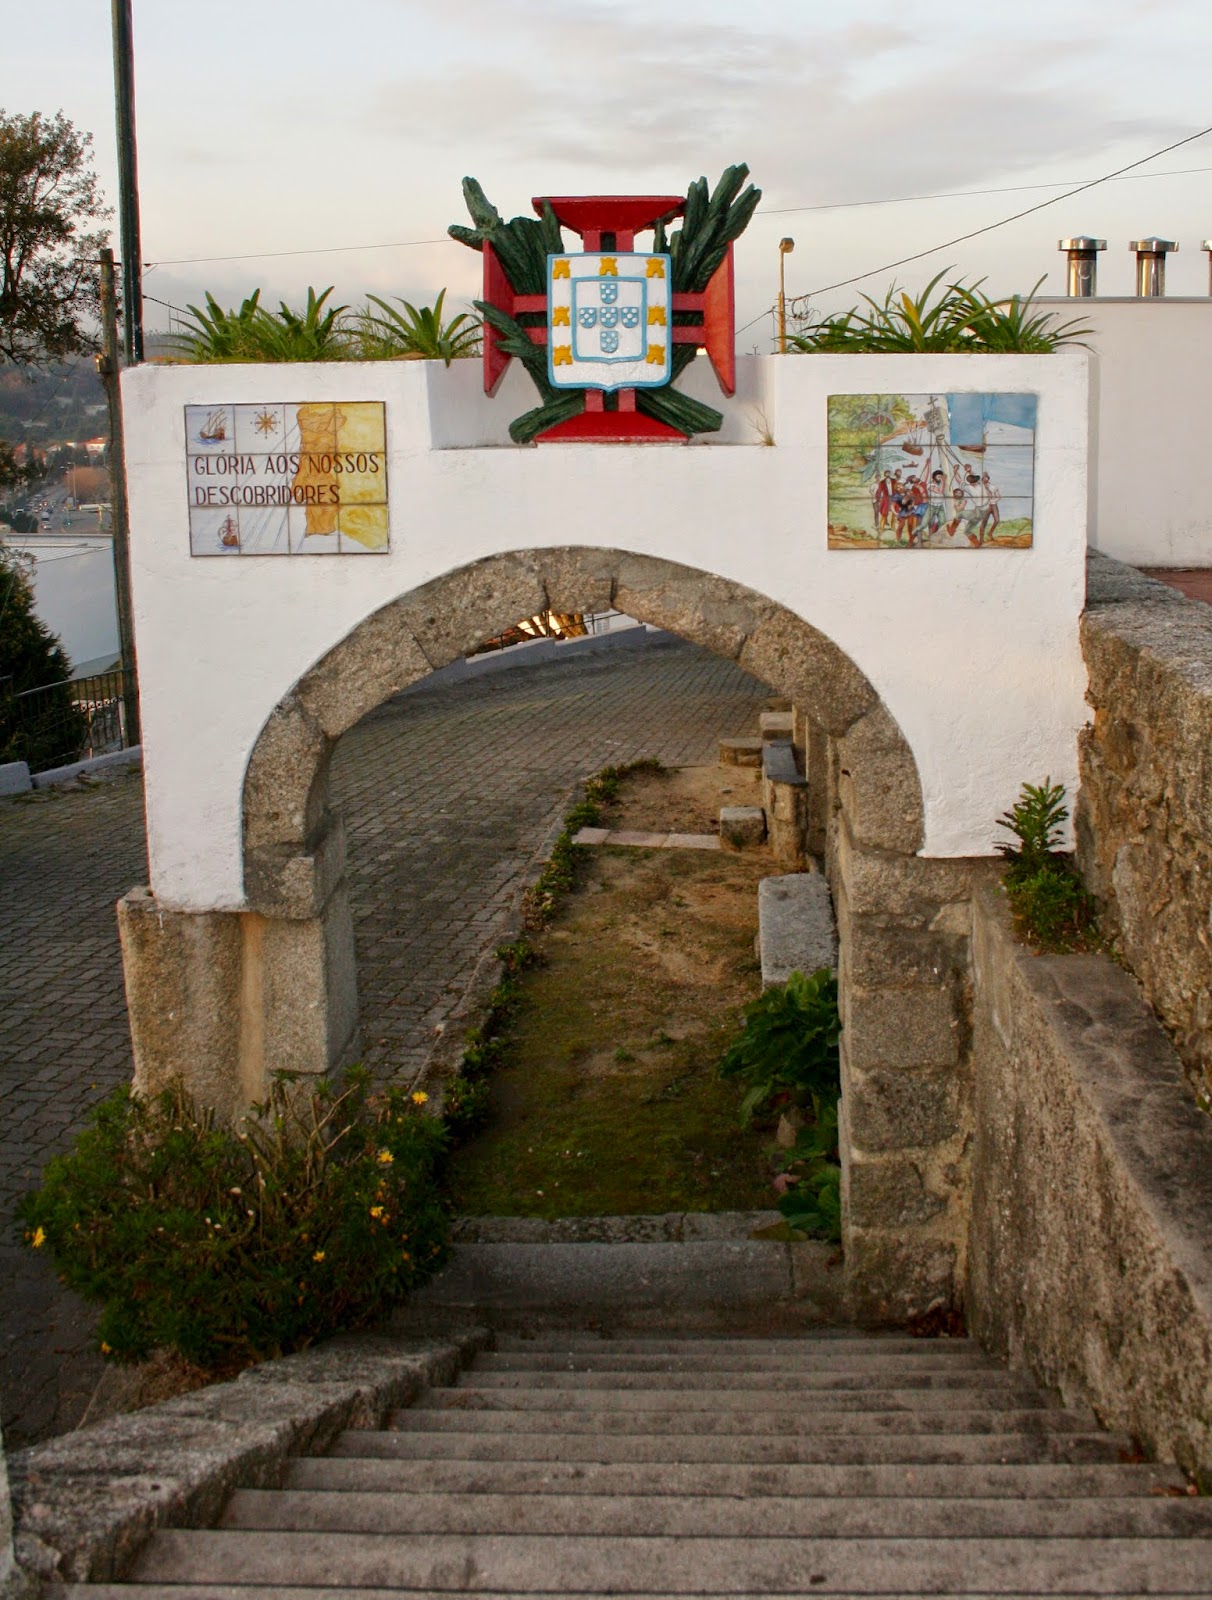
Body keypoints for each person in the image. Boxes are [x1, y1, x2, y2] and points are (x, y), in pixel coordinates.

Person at [979, 473, 1001, 542]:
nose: (985, 479)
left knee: (997, 520)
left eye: (986, 477)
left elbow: (998, 497)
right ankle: (981, 539)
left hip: (993, 505)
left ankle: (990, 533)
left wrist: (992, 500)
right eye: (983, 478)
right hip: (985, 506)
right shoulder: (980, 487)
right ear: (982, 479)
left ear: (988, 478)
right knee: (984, 522)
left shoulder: (993, 487)